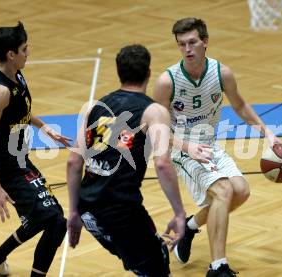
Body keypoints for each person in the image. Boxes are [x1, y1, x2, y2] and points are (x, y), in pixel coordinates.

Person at [153, 18, 281, 276]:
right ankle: (217, 267)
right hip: (181, 149)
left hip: (209, 144)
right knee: (223, 191)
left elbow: (241, 106)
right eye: (181, 45)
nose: (187, 49)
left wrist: (268, 133)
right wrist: (187, 147)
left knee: (241, 191)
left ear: (205, 42)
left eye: (192, 42)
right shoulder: (168, 82)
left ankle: (189, 227)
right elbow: (154, 128)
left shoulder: (222, 73)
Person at [66, 44, 186, 276]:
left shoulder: (94, 107)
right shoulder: (153, 111)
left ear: (118, 72)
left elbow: (73, 162)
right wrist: (179, 213)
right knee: (156, 263)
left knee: (140, 260)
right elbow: (162, 164)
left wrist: (73, 212)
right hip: (121, 210)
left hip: (88, 211)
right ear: (149, 72)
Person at [0, 22, 71, 276]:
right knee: (56, 221)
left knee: (51, 219)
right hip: (7, 169)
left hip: (20, 160)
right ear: (11, 54)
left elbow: (20, 110)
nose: (28, 53)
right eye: (25, 49)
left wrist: (43, 127)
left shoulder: (15, 74)